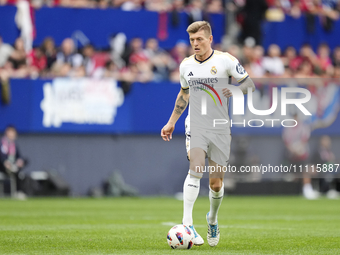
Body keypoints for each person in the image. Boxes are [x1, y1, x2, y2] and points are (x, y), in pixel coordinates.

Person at [161, 21, 255, 247]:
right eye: (192, 40)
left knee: (215, 183)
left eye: (199, 39)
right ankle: (187, 225)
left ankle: (212, 219)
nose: (195, 44)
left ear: (210, 39)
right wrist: (172, 121)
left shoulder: (225, 61)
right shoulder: (186, 66)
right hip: (196, 125)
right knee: (195, 169)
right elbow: (184, 95)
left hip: (220, 127)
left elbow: (249, 85)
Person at [0, 125, 26, 198]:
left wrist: (19, 161)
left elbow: (18, 156)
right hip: (2, 167)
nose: (12, 134)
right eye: (10, 132)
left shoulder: (14, 145)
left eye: (13, 132)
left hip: (13, 166)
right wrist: (5, 162)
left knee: (19, 169)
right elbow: (2, 156)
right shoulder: (2, 143)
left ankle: (18, 192)